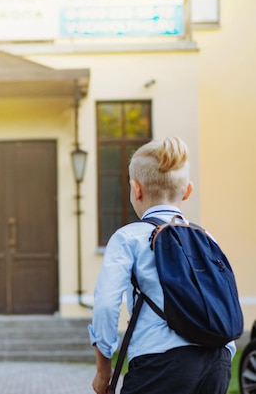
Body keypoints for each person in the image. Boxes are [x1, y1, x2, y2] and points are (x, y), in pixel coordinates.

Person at [88, 137, 235, 394]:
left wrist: (103, 370)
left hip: (159, 363)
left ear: (136, 189)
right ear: (187, 191)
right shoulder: (206, 237)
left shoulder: (129, 237)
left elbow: (105, 304)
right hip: (218, 361)